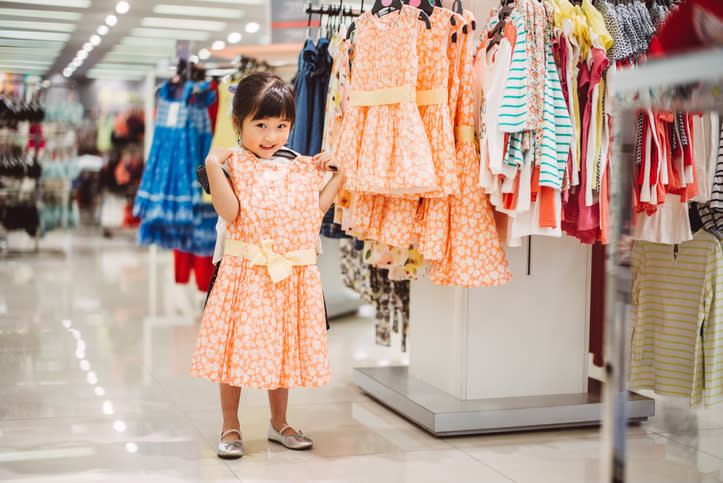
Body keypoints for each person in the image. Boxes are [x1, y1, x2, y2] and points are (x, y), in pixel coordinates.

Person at [189, 72, 344, 459]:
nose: (271, 135)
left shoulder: (297, 164)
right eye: (261, 124)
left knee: (282, 350)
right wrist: (212, 161)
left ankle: (279, 422)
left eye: (282, 125)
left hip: (289, 275)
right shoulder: (230, 163)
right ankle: (231, 424)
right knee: (233, 352)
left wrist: (338, 177)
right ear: (238, 122)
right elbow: (230, 211)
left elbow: (314, 213)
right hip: (243, 274)